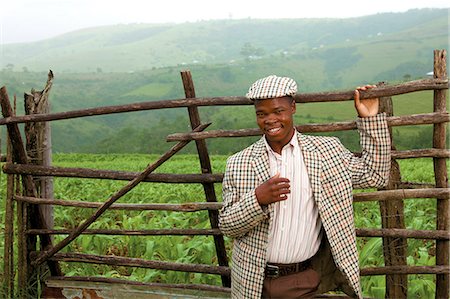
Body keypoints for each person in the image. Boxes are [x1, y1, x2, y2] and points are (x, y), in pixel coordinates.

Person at [219, 75, 391, 298]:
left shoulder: (327, 152)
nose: (270, 120)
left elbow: (375, 175)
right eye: (262, 114)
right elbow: (227, 226)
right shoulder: (239, 162)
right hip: (252, 281)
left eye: (278, 111)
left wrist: (369, 119)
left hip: (303, 279)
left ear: (293, 108)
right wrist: (257, 199)